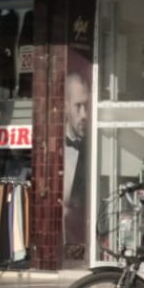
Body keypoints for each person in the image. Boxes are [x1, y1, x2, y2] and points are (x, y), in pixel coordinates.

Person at [63, 70, 90, 256]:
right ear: (65, 106)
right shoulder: (52, 148)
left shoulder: (94, 148)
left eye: (87, 106)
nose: (84, 114)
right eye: (78, 106)